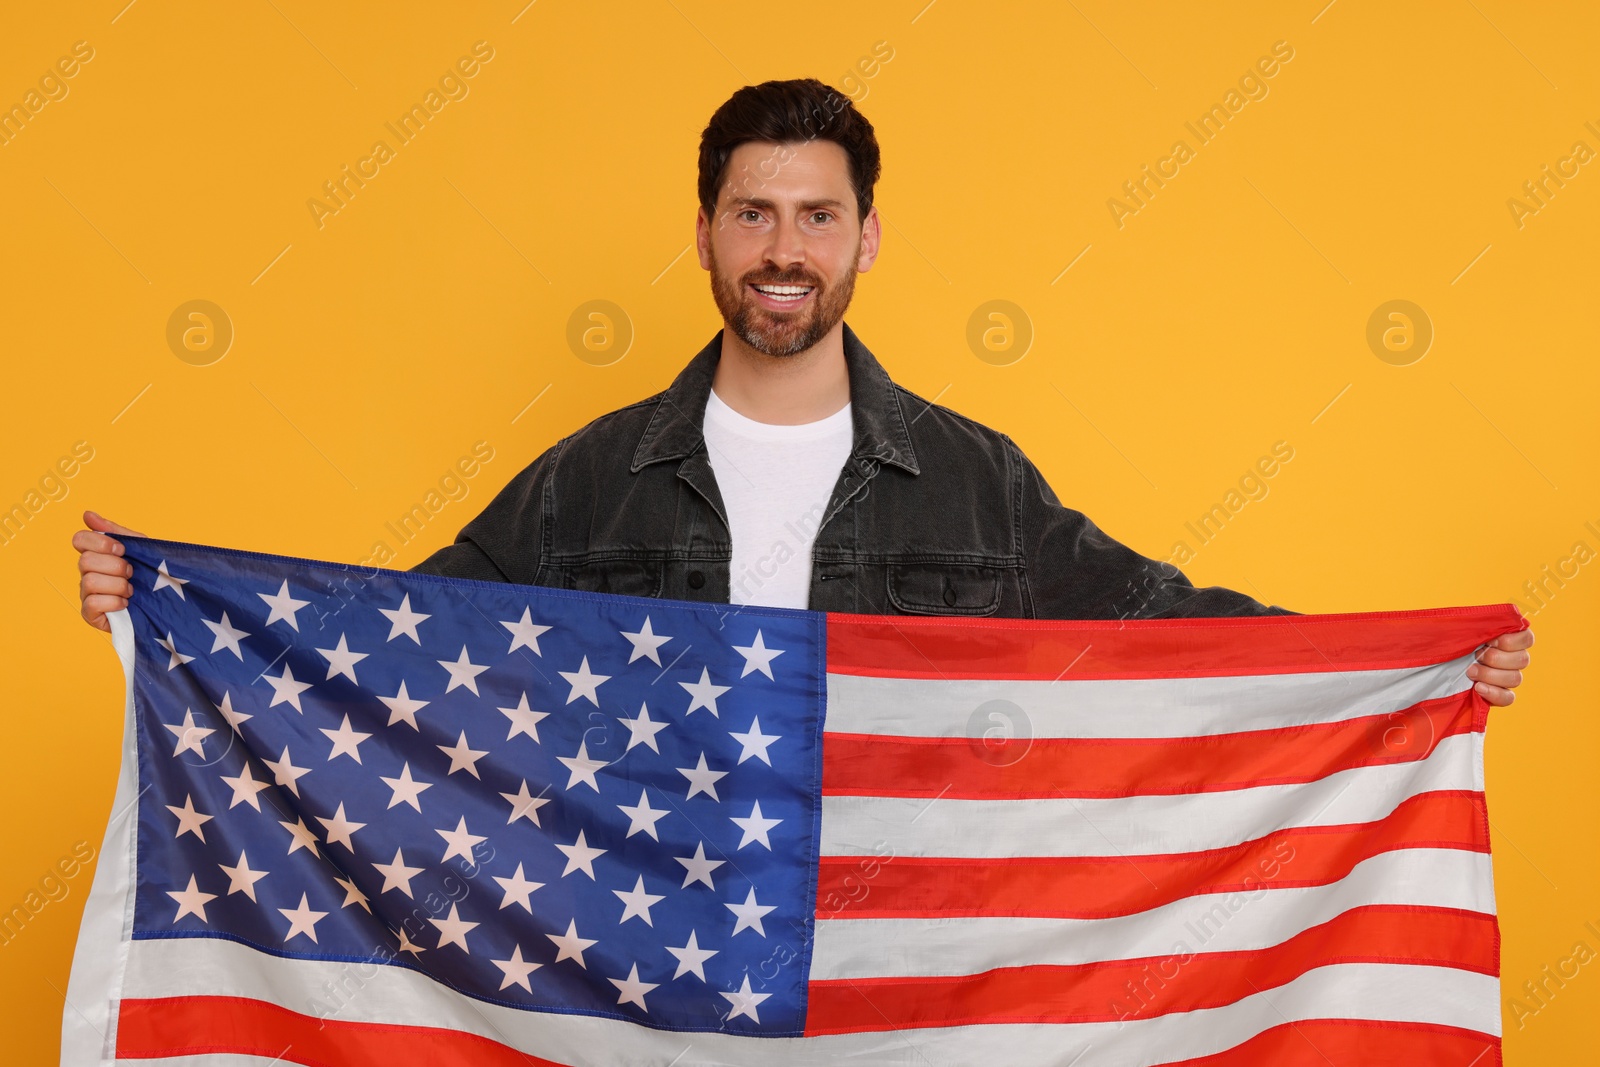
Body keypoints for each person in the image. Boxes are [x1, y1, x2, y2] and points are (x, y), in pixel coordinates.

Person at [70, 78, 1533, 703]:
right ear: (705, 233)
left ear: (868, 238)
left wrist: (1402, 671)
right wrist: (176, 612)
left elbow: (1157, 627)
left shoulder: (975, 480)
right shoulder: (590, 483)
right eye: (754, 215)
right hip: (647, 986)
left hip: (898, 981)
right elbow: (396, 647)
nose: (785, 253)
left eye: (817, 217)